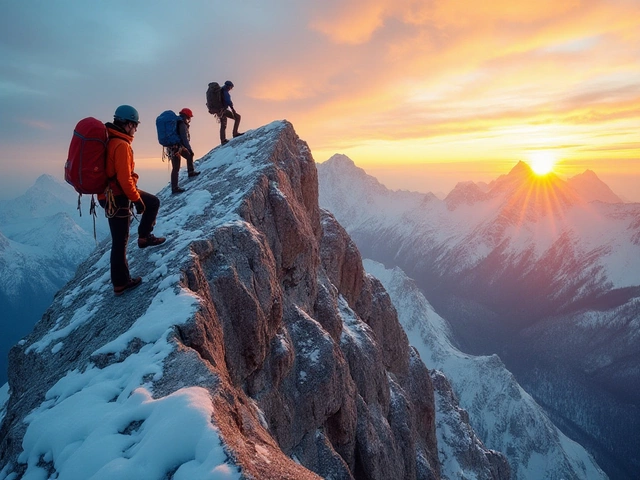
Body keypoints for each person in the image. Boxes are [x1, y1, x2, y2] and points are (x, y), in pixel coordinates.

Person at [99, 105, 166, 296]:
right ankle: (121, 283)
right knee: (120, 241)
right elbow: (124, 178)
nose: (136, 129)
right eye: (135, 125)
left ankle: (144, 237)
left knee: (153, 202)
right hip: (117, 196)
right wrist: (136, 200)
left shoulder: (111, 140)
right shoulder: (121, 145)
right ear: (128, 124)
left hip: (111, 194)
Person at [167, 107, 200, 194]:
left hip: (172, 147)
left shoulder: (176, 122)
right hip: (177, 147)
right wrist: (189, 148)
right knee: (187, 157)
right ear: (187, 116)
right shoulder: (182, 123)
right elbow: (184, 138)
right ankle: (176, 187)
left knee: (176, 167)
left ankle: (190, 173)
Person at [218, 80, 243, 145]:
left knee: (223, 124)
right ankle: (234, 133)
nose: (231, 89)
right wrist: (232, 109)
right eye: (231, 88)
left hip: (219, 110)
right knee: (237, 117)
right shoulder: (224, 91)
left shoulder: (220, 90)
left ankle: (223, 139)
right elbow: (228, 101)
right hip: (223, 110)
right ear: (229, 86)